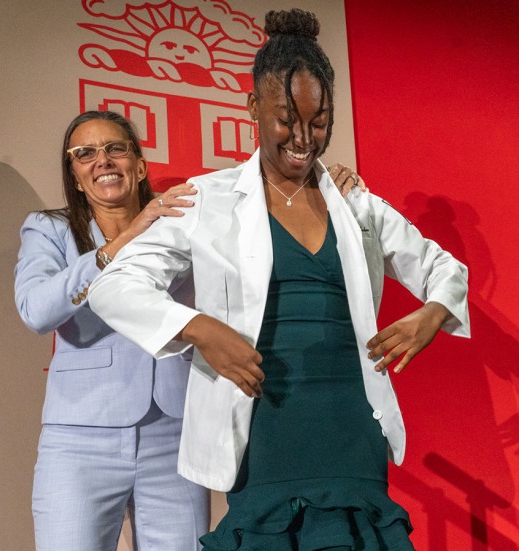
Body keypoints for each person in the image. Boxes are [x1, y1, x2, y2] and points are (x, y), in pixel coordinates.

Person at [89, 8, 470, 550]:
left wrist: (432, 314)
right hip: (263, 418)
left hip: (350, 418)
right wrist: (199, 327)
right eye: (286, 118)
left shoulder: (356, 203)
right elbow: (113, 285)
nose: (304, 137)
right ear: (252, 107)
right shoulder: (210, 198)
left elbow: (445, 269)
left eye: (319, 121)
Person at [14, 110, 208, 550]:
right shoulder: (50, 229)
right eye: (85, 153)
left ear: (139, 166)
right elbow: (35, 310)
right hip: (81, 437)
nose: (102, 160)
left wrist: (326, 181)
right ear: (76, 175)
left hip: (174, 433)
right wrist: (117, 246)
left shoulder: (182, 224)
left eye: (115, 148)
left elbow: (255, 205)